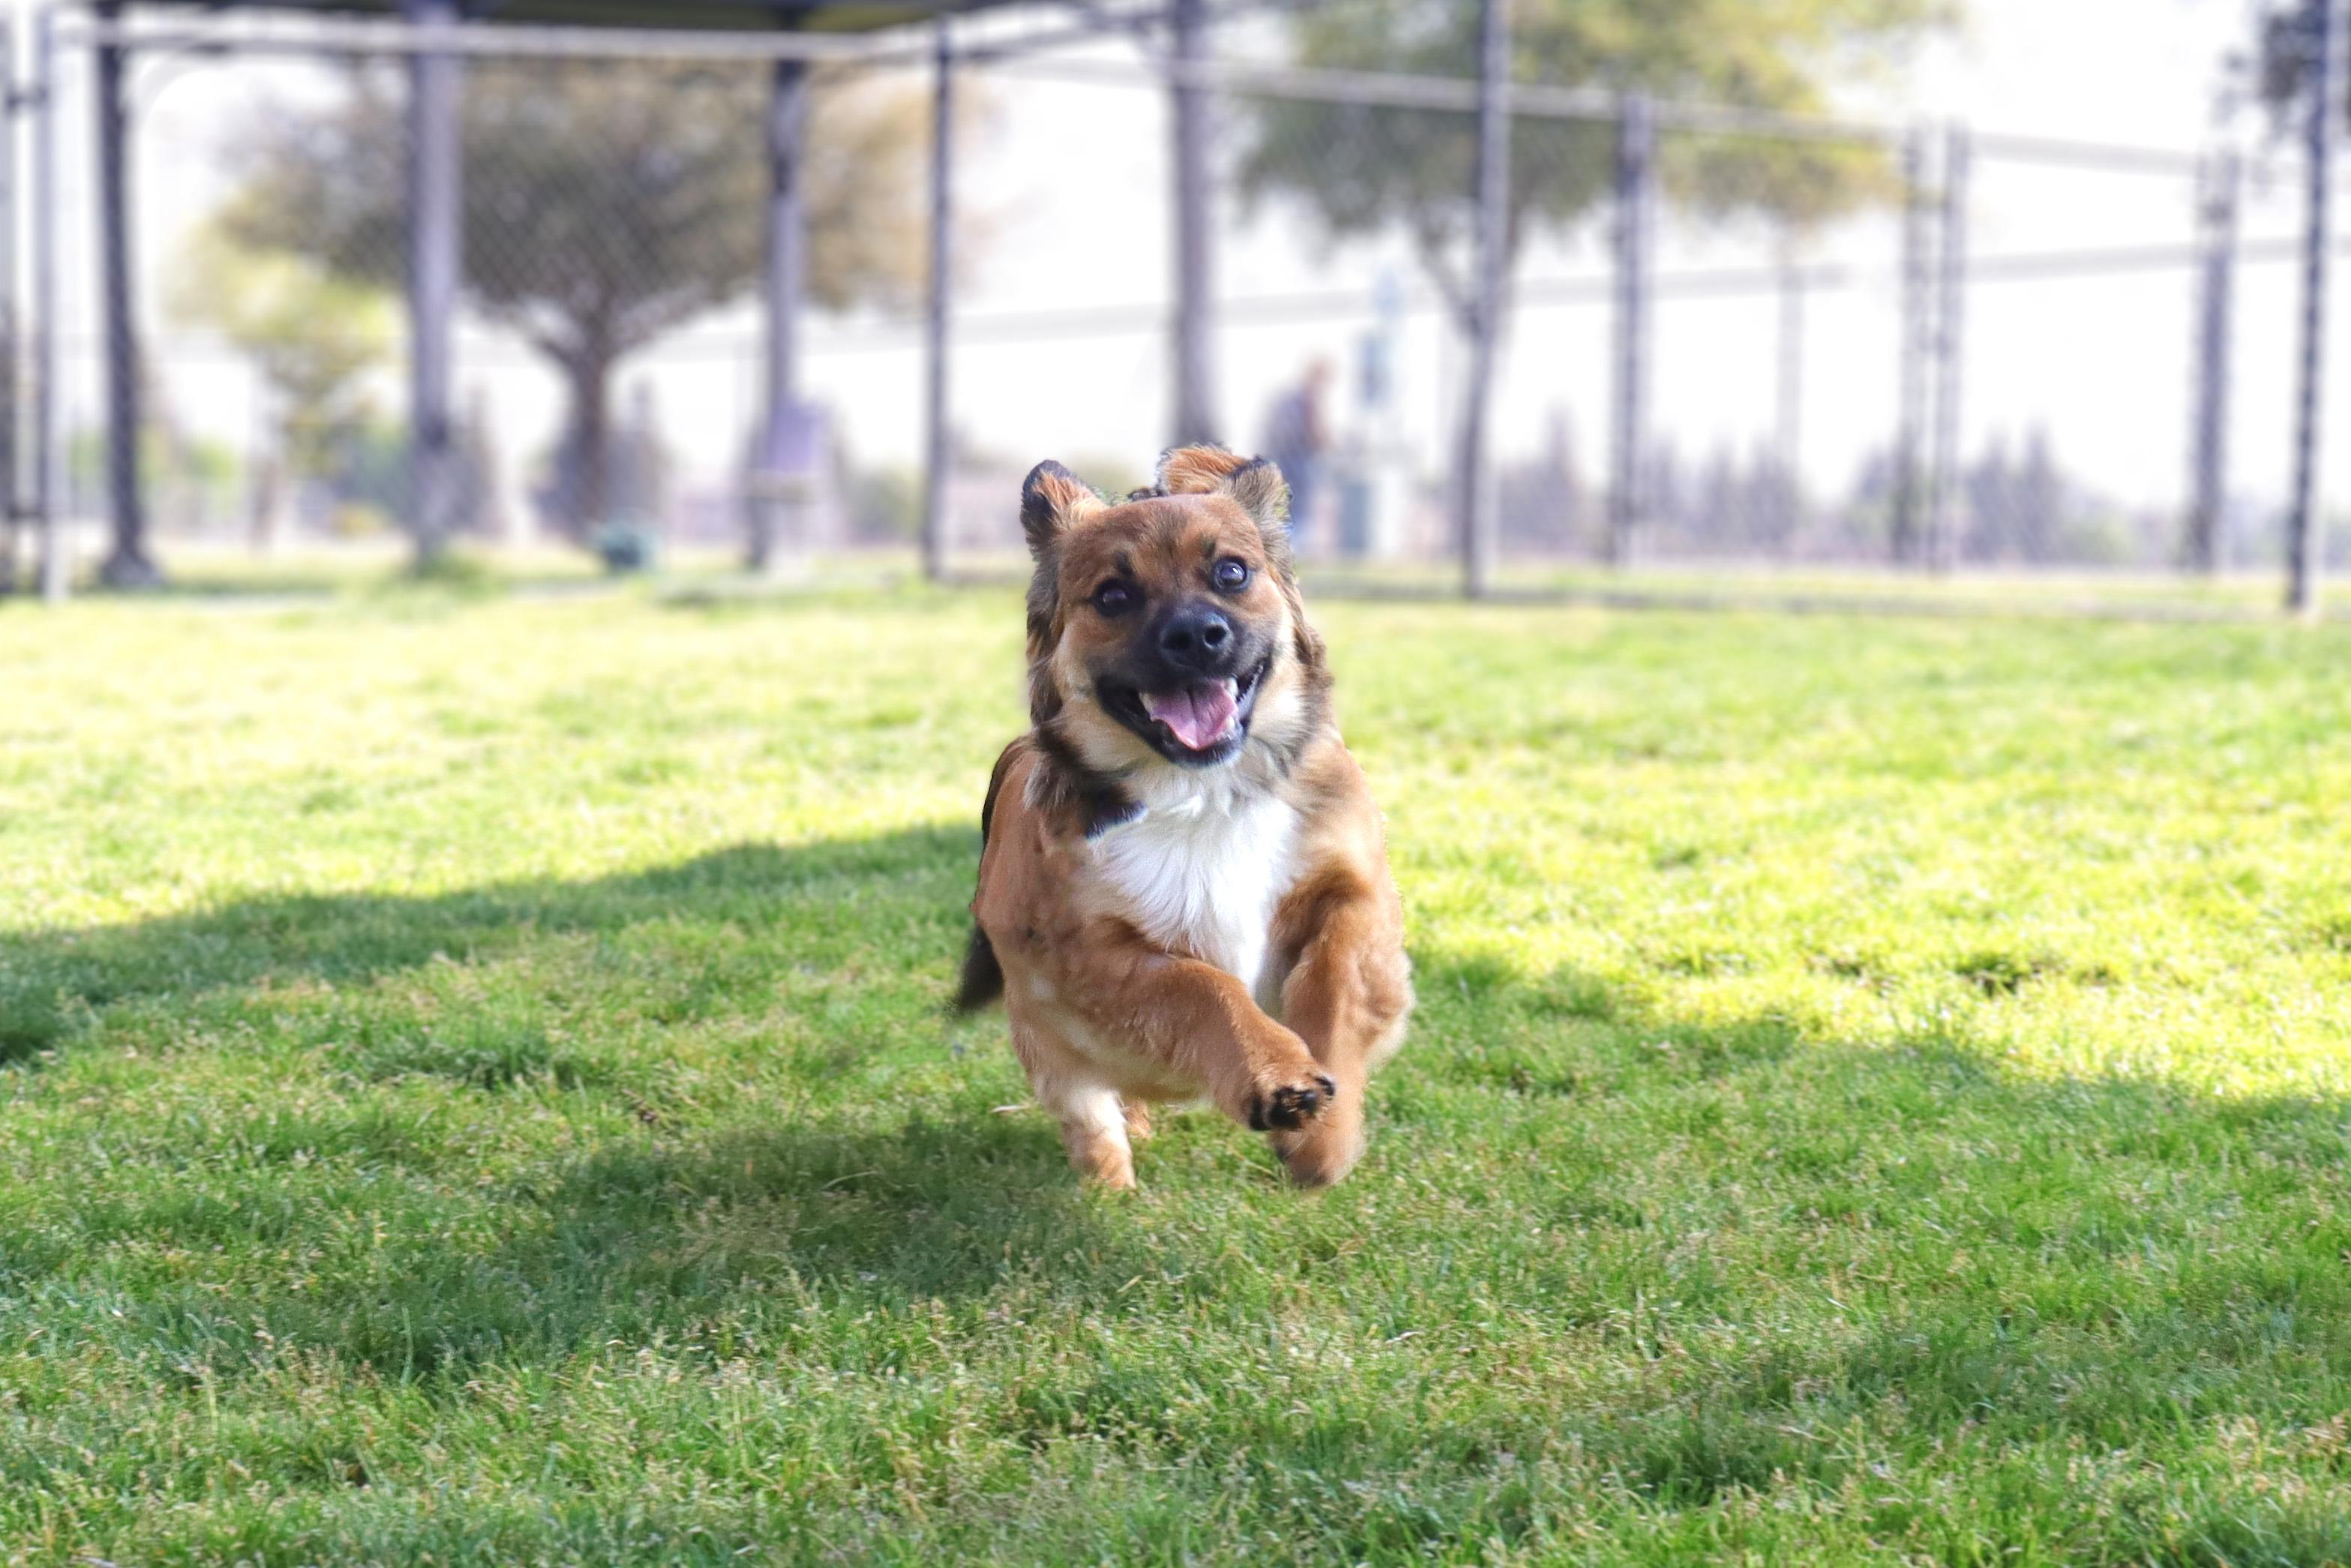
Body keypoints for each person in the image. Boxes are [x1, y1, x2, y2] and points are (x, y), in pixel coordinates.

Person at [1261, 359, 1334, 555]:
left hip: (1288, 468)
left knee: (1287, 516)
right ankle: (1286, 554)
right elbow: (1318, 437)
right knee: (1292, 519)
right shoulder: (1304, 402)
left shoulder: (1294, 400)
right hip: (1294, 469)